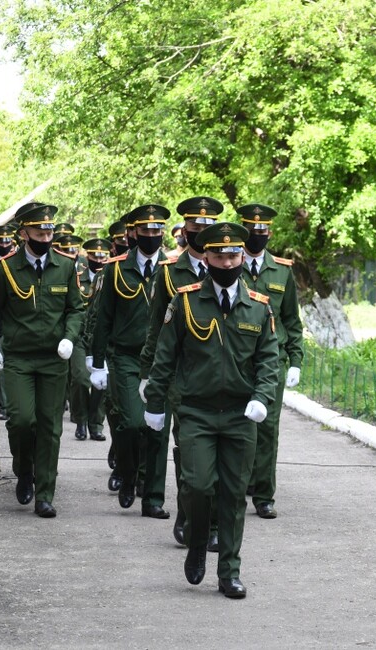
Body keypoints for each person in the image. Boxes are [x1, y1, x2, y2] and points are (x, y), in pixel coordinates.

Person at [144, 221, 280, 599]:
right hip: (197, 412)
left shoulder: (258, 306)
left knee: (235, 493)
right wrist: (155, 402)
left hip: (241, 414)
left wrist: (262, 397)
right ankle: (198, 540)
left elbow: (270, 361)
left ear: (241, 256)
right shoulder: (185, 301)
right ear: (206, 257)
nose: (227, 261)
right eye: (219, 255)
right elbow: (164, 357)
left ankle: (229, 572)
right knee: (199, 485)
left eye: (233, 254)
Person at [0, 204, 85, 517]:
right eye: (39, 231)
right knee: (21, 421)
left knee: (49, 426)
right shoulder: (5, 268)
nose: (46, 235)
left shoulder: (66, 266)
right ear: (24, 233)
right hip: (18, 358)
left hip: (54, 360)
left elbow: (75, 309)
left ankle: (45, 494)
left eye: (49, 231)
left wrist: (70, 336)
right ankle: (24, 469)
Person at [139, 195, 221, 546]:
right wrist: (148, 375)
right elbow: (157, 328)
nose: (200, 233)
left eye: (207, 228)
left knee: (215, 458)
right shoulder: (169, 271)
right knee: (188, 451)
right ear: (185, 230)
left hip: (219, 376)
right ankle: (188, 514)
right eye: (195, 227)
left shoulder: (233, 268)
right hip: (179, 378)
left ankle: (200, 521)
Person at [90, 204, 171, 518]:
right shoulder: (116, 267)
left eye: (157, 230)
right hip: (125, 357)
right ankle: (127, 474)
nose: (152, 236)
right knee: (132, 423)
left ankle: (152, 499)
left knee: (157, 430)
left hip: (162, 362)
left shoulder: (172, 267)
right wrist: (97, 362)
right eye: (146, 231)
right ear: (134, 233)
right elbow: (103, 318)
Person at [237, 203, 304, 519]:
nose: (257, 235)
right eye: (252, 230)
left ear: (269, 233)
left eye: (262, 231)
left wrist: (295, 360)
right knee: (237, 427)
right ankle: (237, 486)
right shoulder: (228, 264)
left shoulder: (281, 270)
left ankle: (264, 495)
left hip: (270, 363)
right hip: (236, 362)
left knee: (267, 430)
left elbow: (292, 319)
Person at [69, 238, 112, 442]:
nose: (99, 259)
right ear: (88, 256)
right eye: (95, 255)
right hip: (79, 335)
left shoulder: (111, 277)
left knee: (101, 382)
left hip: (101, 336)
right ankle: (81, 420)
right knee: (79, 379)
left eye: (103, 255)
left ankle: (96, 424)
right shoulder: (78, 277)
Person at [0, 223, 18, 422]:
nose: (6, 244)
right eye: (2, 241)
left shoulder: (16, 263)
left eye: (9, 240)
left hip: (13, 320)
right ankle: (4, 404)